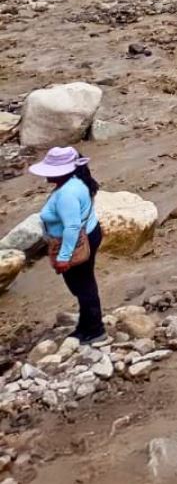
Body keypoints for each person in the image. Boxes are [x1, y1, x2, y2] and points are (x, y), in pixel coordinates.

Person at [34, 146, 103, 344]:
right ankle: (86, 325)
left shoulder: (66, 195)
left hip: (76, 242)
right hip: (90, 233)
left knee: (82, 286)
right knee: (84, 284)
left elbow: (71, 227)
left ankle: (95, 330)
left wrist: (64, 257)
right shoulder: (77, 182)